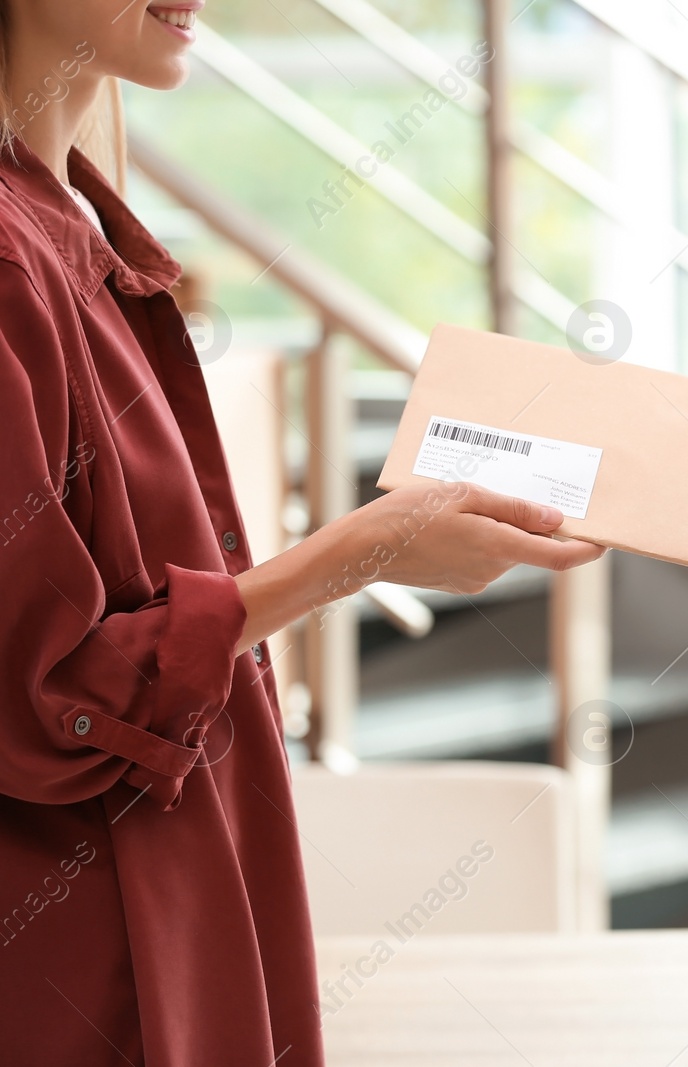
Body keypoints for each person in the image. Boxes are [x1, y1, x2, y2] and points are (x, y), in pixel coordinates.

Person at [0, 2, 603, 1064]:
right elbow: (43, 700)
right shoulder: (15, 264)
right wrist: (354, 555)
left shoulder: (79, 230)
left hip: (169, 901)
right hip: (78, 954)